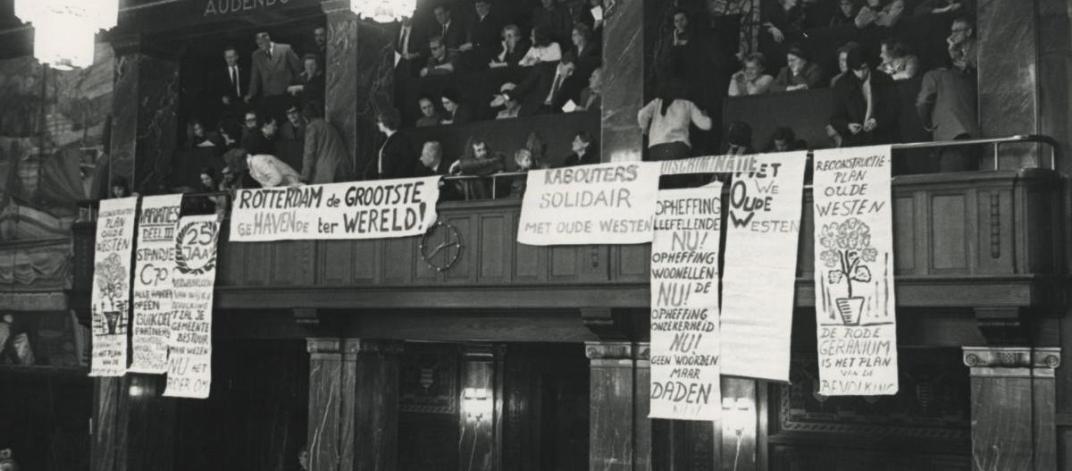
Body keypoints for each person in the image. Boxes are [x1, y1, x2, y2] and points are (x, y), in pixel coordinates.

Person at [917, 35, 978, 171]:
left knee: (951, 186)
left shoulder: (932, 76)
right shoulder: (966, 76)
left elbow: (923, 101)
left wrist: (927, 124)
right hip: (973, 138)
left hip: (949, 138)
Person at [830, 47, 898, 147]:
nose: (861, 74)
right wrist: (848, 126)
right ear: (851, 68)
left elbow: (894, 107)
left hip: (883, 139)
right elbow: (835, 117)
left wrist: (877, 121)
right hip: (854, 142)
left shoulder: (884, 80)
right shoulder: (841, 85)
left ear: (869, 65)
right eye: (856, 70)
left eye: (864, 68)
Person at [637, 78, 712, 161]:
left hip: (656, 149)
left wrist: (645, 130)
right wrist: (705, 115)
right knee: (678, 173)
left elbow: (641, 114)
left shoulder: (657, 102)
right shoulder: (688, 104)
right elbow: (706, 125)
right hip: (677, 149)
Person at [245, 31, 303, 121]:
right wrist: (250, 94)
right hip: (269, 96)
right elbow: (255, 77)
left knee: (288, 121)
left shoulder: (285, 49)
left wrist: (298, 87)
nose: (260, 46)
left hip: (286, 94)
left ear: (268, 39)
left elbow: (298, 69)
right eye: (258, 44)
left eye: (262, 43)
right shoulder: (256, 55)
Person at [504, 52, 577, 116]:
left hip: (551, 114)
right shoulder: (543, 68)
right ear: (561, 64)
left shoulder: (570, 80)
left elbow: (567, 100)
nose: (571, 74)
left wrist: (572, 109)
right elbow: (525, 85)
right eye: (569, 70)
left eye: (573, 70)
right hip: (532, 109)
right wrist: (506, 96)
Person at [301, 101, 352, 184]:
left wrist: (304, 178)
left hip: (326, 174)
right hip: (341, 169)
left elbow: (309, 153)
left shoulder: (312, 127)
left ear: (305, 118)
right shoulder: (327, 125)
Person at [366, 107, 413, 180]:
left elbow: (406, 163)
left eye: (379, 121)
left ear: (386, 121)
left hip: (393, 182)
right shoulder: (383, 141)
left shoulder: (401, 140)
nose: (378, 124)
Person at [462, 0, 502, 68]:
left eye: (482, 6)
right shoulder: (475, 20)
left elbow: (490, 40)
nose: (479, 9)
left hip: (490, 52)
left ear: (488, 5)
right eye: (477, 7)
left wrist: (472, 45)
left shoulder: (494, 20)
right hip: (477, 51)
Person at [215, 46, 246, 120]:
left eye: (232, 57)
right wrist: (222, 97)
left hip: (243, 103)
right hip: (228, 106)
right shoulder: (220, 73)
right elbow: (215, 90)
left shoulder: (245, 70)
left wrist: (248, 95)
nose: (230, 59)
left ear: (237, 57)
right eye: (227, 57)